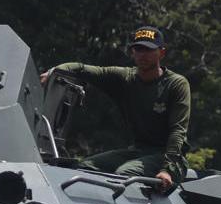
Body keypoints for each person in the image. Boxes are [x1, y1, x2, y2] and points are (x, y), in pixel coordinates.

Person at [42, 25, 190, 189]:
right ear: (132, 52)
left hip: (169, 157)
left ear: (161, 52)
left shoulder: (176, 84)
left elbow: (178, 131)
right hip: (138, 151)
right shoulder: (125, 78)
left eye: (149, 50)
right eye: (138, 49)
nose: (143, 55)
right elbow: (83, 69)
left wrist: (167, 170)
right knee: (84, 167)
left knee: (124, 174)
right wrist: (55, 71)